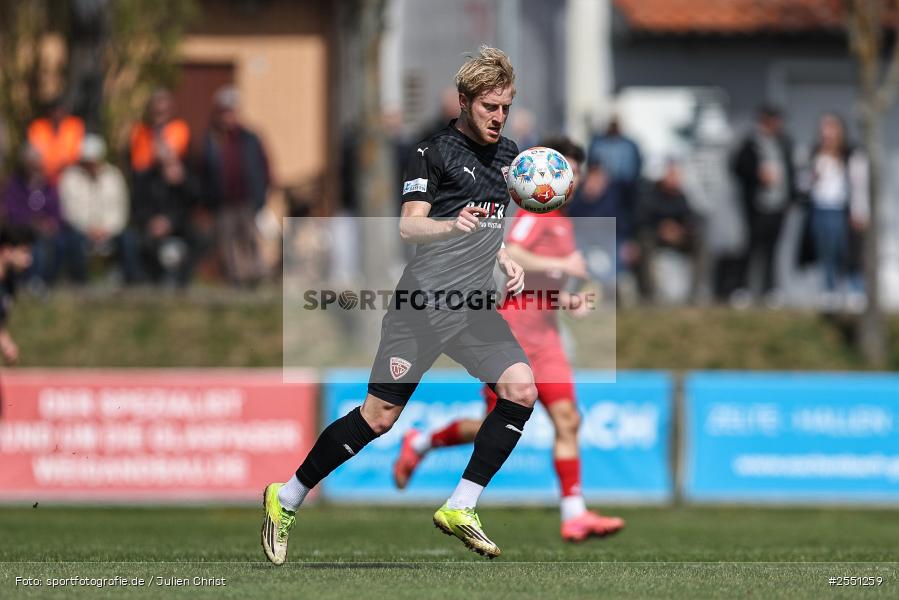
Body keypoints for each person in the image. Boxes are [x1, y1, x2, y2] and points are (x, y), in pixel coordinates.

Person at [262, 46, 533, 564]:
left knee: (521, 389)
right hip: (423, 305)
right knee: (379, 418)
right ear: (464, 102)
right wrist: (450, 225)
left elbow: (490, 228)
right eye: (489, 107)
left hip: (472, 306)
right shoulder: (432, 153)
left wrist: (507, 259)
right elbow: (409, 225)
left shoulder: (509, 158)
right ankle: (287, 496)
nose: (499, 117)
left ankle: (461, 506)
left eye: (505, 107)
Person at [391, 137, 625, 542]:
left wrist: (564, 297)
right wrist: (562, 264)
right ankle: (424, 442)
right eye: (556, 170)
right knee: (492, 425)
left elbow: (539, 283)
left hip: (547, 338)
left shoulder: (563, 221)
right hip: (514, 333)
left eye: (569, 172)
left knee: (569, 419)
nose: (559, 179)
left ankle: (574, 514)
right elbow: (514, 251)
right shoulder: (537, 215)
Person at [200, 86, 270, 287]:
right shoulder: (212, 139)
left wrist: (262, 195)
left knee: (249, 239)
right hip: (222, 201)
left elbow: (264, 167)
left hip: (247, 199)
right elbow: (204, 170)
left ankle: (255, 277)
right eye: (223, 111)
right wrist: (207, 200)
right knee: (227, 243)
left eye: (230, 111)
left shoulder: (250, 138)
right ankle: (236, 280)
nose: (227, 116)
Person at [799, 113, 868, 310]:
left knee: (847, 251)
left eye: (832, 129)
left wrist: (860, 211)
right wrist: (811, 177)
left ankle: (856, 290)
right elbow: (801, 186)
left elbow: (859, 185)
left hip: (841, 210)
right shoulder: (813, 155)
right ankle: (829, 290)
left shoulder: (851, 154)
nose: (827, 134)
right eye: (824, 129)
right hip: (819, 209)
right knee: (825, 251)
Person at [126, 89, 195, 286]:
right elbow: (136, 168)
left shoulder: (181, 130)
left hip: (173, 207)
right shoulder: (139, 132)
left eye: (163, 112)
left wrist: (170, 221)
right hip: (147, 194)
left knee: (193, 237)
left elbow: (189, 194)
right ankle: (142, 279)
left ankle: (178, 280)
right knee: (138, 238)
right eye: (155, 112)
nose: (159, 117)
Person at [731, 104, 796, 304]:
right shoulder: (750, 143)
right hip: (756, 206)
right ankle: (743, 288)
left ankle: (770, 289)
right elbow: (737, 167)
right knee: (751, 248)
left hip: (778, 206)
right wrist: (758, 175)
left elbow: (791, 171)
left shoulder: (784, 143)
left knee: (772, 249)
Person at [1, 144, 82, 288]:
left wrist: (52, 222)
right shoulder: (14, 184)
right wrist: (31, 221)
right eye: (29, 162)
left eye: (35, 162)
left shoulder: (48, 184)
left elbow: (57, 209)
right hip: (24, 229)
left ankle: (62, 281)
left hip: (49, 228)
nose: (33, 166)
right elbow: (12, 210)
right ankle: (34, 280)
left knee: (67, 240)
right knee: (35, 243)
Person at [58, 134, 132, 283]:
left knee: (129, 240)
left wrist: (107, 229)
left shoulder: (113, 176)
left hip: (110, 231)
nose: (90, 165)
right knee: (71, 240)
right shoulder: (70, 177)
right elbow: (68, 211)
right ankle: (80, 283)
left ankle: (131, 282)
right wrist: (88, 229)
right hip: (81, 231)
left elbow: (121, 209)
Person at [636, 161, 701, 304]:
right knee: (644, 243)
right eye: (671, 175)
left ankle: (696, 293)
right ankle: (650, 294)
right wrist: (661, 229)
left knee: (700, 243)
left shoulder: (681, 196)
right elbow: (642, 221)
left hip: (677, 237)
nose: (675, 179)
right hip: (655, 236)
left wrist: (680, 230)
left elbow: (689, 219)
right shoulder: (649, 194)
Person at [0, 225, 36, 364]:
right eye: (24, 252)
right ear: (6, 251)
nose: (29, 259)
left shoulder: (9, 283)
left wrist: (6, 343)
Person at [27, 99, 85, 184]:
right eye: (55, 111)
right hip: (43, 174)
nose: (57, 115)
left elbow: (76, 154)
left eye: (61, 111)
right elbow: (34, 154)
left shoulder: (74, 126)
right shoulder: (38, 127)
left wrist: (63, 166)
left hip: (67, 173)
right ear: (49, 113)